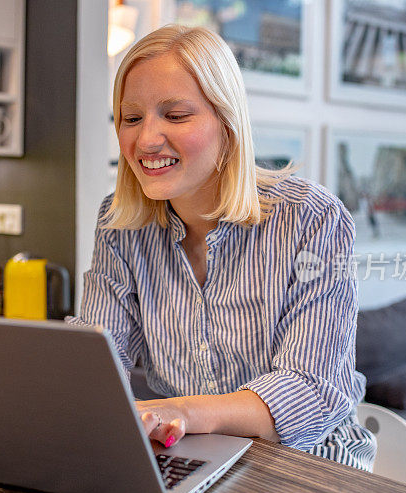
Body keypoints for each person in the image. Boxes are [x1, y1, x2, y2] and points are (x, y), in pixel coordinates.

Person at [69, 25, 375, 470]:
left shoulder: (312, 219)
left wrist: (181, 411)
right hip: (196, 458)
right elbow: (98, 361)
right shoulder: (119, 223)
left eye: (175, 116)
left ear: (227, 124)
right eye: (131, 118)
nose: (147, 139)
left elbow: (312, 390)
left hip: (311, 466)